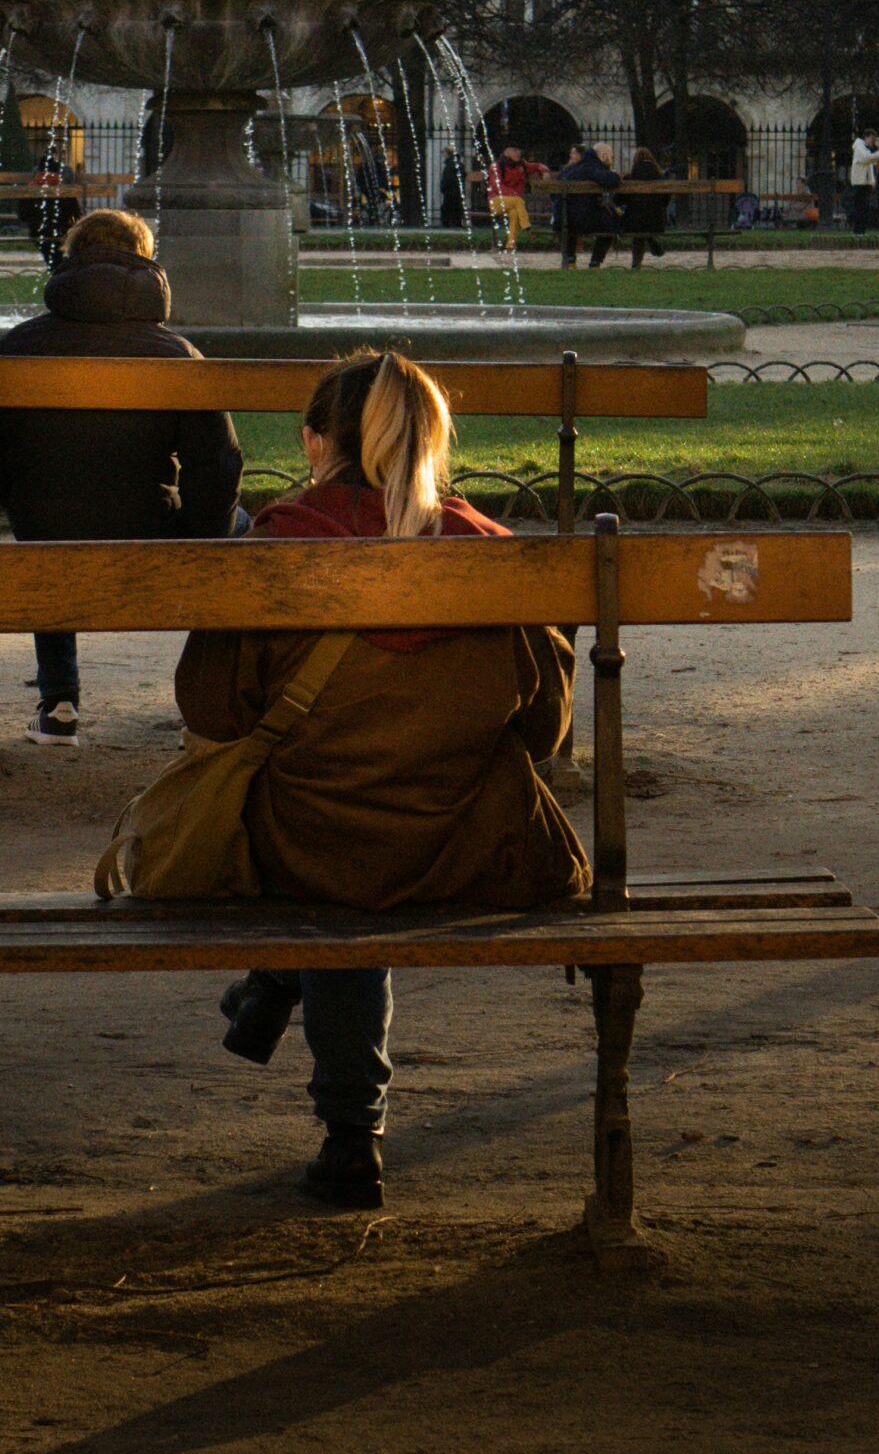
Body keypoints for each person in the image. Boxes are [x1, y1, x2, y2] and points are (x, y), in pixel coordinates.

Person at [188, 350, 588, 1209]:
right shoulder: (489, 553)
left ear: (313, 442)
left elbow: (214, 712)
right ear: (430, 442)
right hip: (459, 842)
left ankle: (343, 1120)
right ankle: (294, 1019)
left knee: (335, 862)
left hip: (304, 844)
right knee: (363, 852)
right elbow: (547, 733)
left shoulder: (277, 543)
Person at [0, 208, 243, 745]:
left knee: (49, 519)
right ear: (146, 266)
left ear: (70, 263)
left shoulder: (20, 346)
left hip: (45, 534)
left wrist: (18, 498)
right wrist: (200, 535)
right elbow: (219, 465)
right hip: (151, 529)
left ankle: (59, 704)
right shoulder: (177, 354)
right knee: (241, 533)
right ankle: (213, 699)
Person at [557, 137, 621, 268]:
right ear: (603, 156)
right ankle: (595, 261)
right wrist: (615, 175)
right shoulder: (592, 166)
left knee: (570, 217)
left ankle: (570, 259)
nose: (611, 159)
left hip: (561, 218)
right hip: (581, 219)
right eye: (610, 156)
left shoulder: (572, 168)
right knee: (611, 223)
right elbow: (610, 181)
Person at [608, 145, 671, 268]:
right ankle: (650, 239)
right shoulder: (660, 177)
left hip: (634, 222)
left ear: (635, 160)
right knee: (644, 222)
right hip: (657, 221)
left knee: (638, 224)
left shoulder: (630, 177)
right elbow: (666, 200)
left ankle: (636, 264)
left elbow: (618, 200)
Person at [483, 143, 545, 247]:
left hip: (513, 203)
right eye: (514, 150)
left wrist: (545, 171)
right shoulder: (497, 166)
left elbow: (537, 166)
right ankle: (526, 226)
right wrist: (514, 194)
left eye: (519, 150)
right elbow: (497, 185)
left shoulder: (522, 165)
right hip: (496, 200)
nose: (518, 153)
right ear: (506, 152)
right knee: (518, 201)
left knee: (515, 213)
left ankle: (511, 244)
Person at [848, 128, 879, 235]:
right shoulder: (860, 147)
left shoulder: (865, 148)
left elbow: (870, 167)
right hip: (860, 183)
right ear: (866, 137)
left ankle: (861, 232)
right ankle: (858, 232)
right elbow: (867, 159)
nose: (872, 141)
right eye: (871, 138)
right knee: (860, 208)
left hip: (865, 183)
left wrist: (872, 181)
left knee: (863, 209)